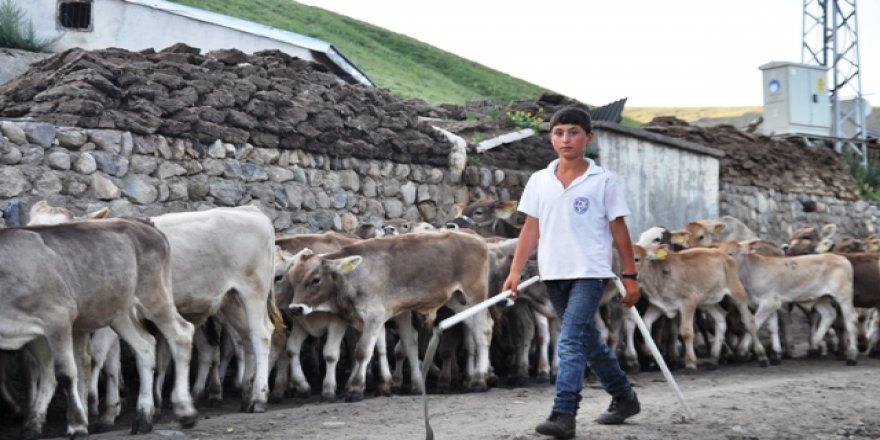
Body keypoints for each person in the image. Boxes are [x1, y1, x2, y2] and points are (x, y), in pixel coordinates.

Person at [501, 106, 641, 439]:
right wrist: (515, 271)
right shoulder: (539, 180)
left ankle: (564, 413)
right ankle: (624, 398)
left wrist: (630, 275)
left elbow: (619, 229)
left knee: (570, 341)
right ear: (551, 137)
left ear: (588, 137)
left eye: (573, 132)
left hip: (590, 272)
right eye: (559, 133)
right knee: (587, 340)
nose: (566, 139)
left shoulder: (603, 180)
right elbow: (531, 229)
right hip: (553, 272)